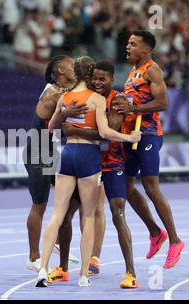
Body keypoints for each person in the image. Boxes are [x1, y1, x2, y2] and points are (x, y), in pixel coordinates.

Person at [36, 56, 141, 288]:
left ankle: (42, 267)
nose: (98, 82)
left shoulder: (65, 96)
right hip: (88, 157)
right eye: (95, 77)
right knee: (89, 215)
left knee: (57, 214)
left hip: (69, 153)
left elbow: (50, 126)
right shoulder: (94, 99)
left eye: (103, 79)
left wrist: (66, 118)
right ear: (90, 76)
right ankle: (82, 274)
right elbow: (105, 132)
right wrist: (129, 137)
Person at [113, 31, 184, 269]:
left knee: (151, 187)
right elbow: (133, 103)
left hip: (149, 134)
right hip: (131, 134)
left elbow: (162, 103)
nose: (128, 47)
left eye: (133, 44)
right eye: (128, 43)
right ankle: (156, 232)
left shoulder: (152, 70)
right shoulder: (133, 72)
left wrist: (132, 107)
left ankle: (175, 240)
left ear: (146, 50)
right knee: (126, 186)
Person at [24, 55, 86, 272]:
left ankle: (58, 237)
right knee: (39, 204)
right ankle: (33, 257)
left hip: (52, 151)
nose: (75, 68)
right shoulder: (52, 94)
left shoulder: (65, 91)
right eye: (71, 66)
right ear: (61, 71)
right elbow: (52, 124)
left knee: (75, 195)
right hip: (38, 151)